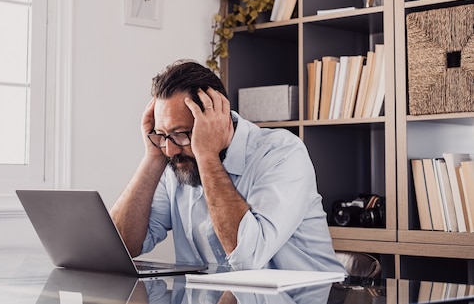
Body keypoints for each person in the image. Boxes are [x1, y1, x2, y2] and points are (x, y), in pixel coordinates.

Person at [110, 59, 345, 272]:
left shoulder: (281, 153)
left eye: (181, 133)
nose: (170, 149)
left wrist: (207, 156)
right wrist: (152, 156)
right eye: (162, 135)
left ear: (216, 119)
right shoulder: (174, 156)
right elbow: (120, 248)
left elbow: (247, 257)